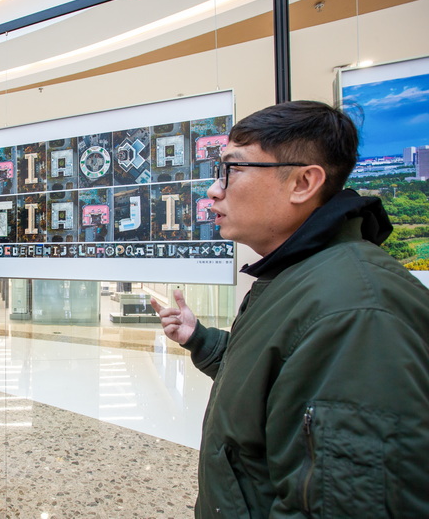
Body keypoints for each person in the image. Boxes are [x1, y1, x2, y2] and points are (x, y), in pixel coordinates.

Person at [151, 100, 429, 518]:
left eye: (232, 169)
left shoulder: (356, 314)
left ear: (303, 183)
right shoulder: (298, 278)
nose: (214, 190)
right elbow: (278, 383)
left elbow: (346, 503)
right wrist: (200, 339)